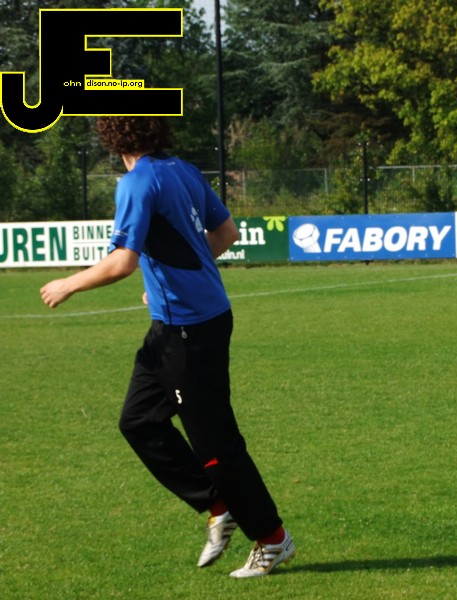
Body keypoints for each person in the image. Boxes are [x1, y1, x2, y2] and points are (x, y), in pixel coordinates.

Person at [40, 116, 294, 578]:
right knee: (138, 420)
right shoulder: (183, 169)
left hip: (190, 330)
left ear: (111, 136)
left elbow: (122, 261)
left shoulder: (137, 183)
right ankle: (218, 506)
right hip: (175, 325)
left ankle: (272, 539)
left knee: (216, 444)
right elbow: (226, 235)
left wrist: (68, 283)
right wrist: (171, 282)